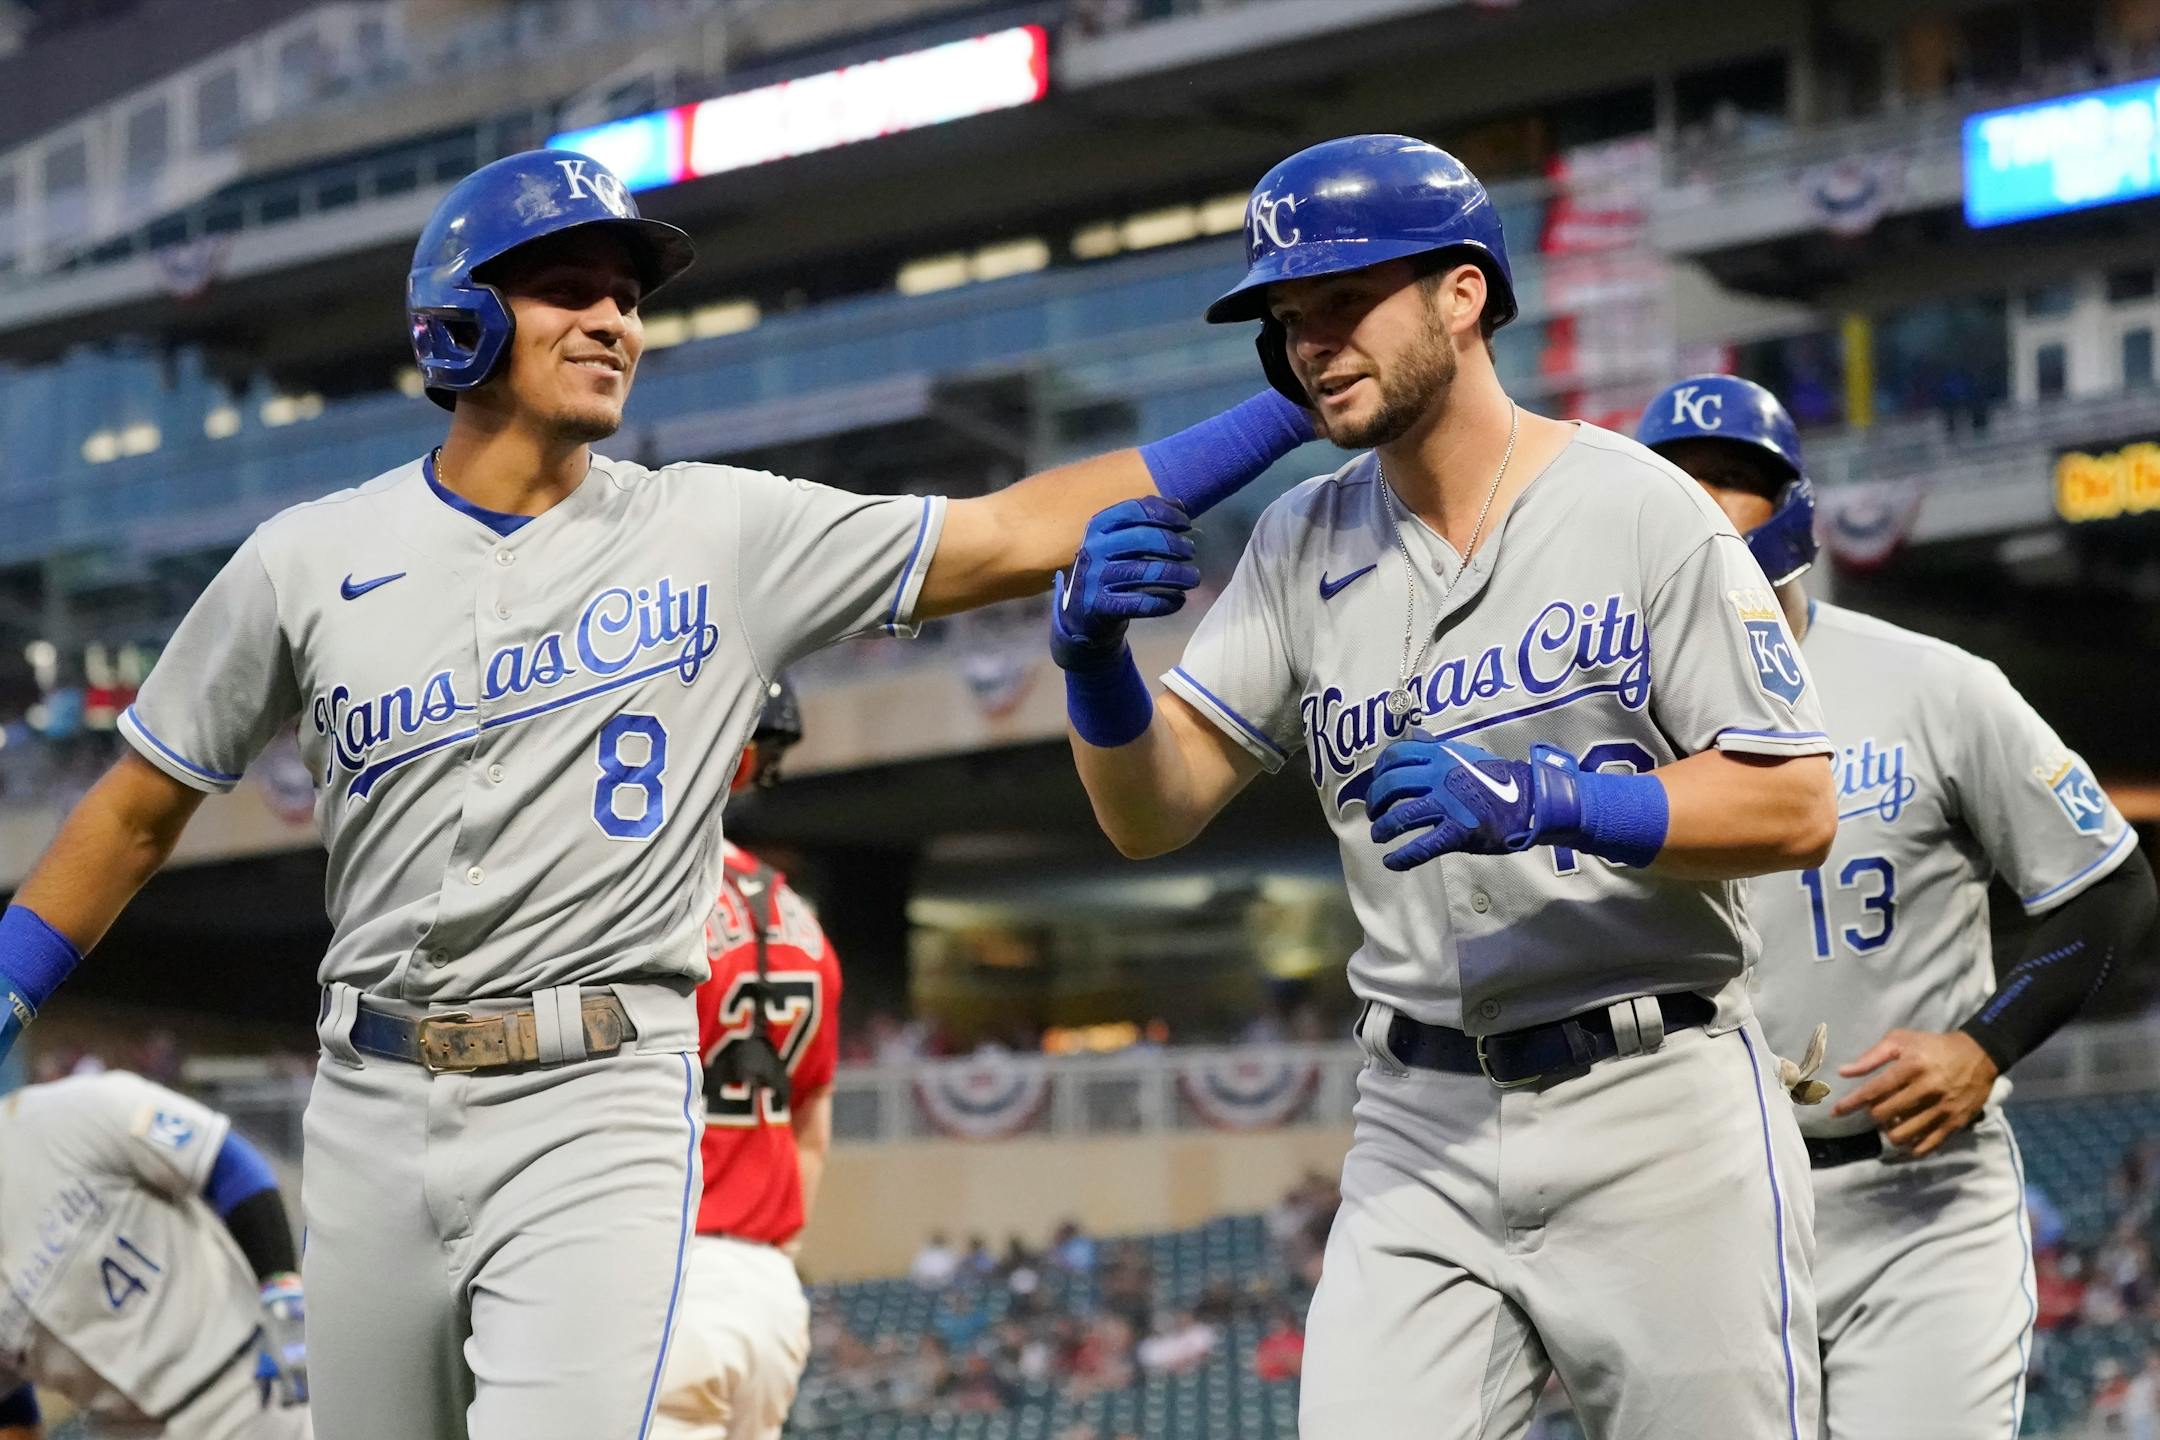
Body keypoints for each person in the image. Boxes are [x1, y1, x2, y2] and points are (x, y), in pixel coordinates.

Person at [0, 148, 1317, 1440]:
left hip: (598, 1094)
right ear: (455, 324)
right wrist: (9, 983)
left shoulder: (717, 531)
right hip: (371, 1097)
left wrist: (1282, 407)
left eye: (629, 296)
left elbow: (1010, 529)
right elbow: (137, 807)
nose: (614, 318)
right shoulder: (305, 559)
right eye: (570, 287)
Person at [1050, 134, 1838, 1438]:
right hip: (1420, 1115)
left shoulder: (1642, 508)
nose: (1311, 341)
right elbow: (1152, 811)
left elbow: (1793, 805)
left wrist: (1555, 803)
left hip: (1655, 1100)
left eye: (1344, 300)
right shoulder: (1303, 538)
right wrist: (1096, 670)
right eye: (1290, 317)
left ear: (1462, 293)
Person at [1637, 372, 2158, 1440]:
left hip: (1918, 1202)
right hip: (1712, 1219)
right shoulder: (1610, 729)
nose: (1707, 502)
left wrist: (1985, 1046)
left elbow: (2110, 887)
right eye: (1677, 482)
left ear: (1792, 506)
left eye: (1736, 478)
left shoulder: (1933, 685)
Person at [651, 676, 835, 1440]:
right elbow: (812, 1122)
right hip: (766, 1290)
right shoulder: (800, 918)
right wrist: (773, 1256)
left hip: (665, 1275)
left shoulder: (642, 901)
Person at [0, 1071, 309, 1439]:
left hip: (249, 1393)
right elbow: (10, 1404)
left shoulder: (66, 1114)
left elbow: (232, 1167)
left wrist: (280, 1292)